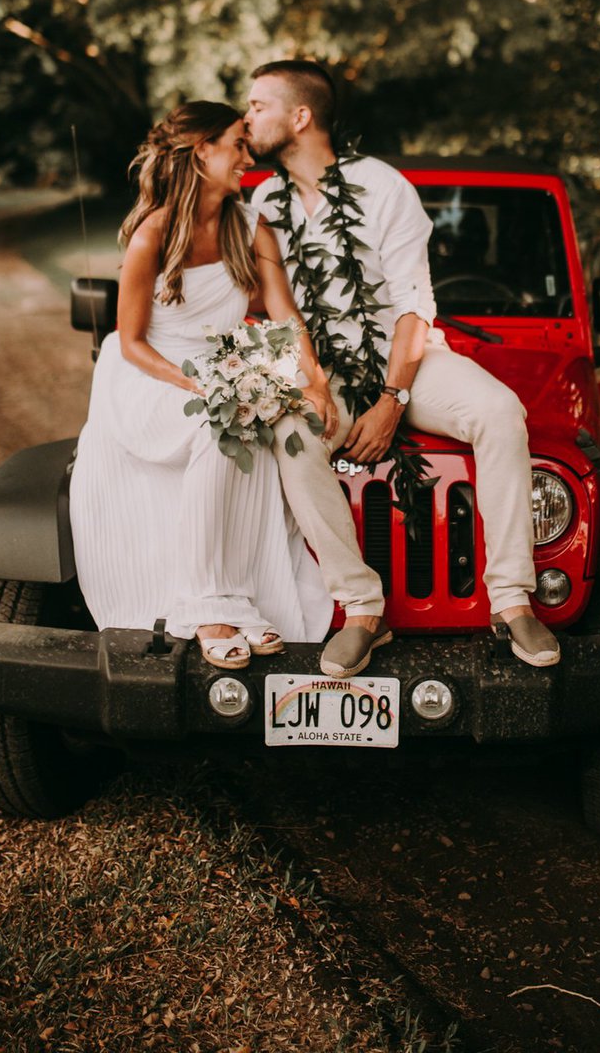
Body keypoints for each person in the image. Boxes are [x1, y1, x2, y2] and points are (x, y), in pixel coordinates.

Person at [246, 59, 560, 677]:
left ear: (300, 116)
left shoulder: (382, 186)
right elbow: (278, 309)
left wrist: (392, 399)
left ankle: (512, 599)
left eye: (258, 105)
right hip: (323, 368)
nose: (247, 116)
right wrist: (305, 382)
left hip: (405, 361)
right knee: (289, 433)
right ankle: (363, 609)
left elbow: (416, 306)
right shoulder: (265, 200)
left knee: (500, 410)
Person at [69, 101, 335, 669]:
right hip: (147, 378)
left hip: (220, 368)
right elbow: (132, 340)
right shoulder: (153, 234)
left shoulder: (249, 228)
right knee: (223, 425)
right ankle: (207, 604)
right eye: (238, 144)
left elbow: (286, 319)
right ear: (202, 152)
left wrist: (316, 384)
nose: (247, 156)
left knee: (252, 424)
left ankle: (236, 596)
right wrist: (199, 386)